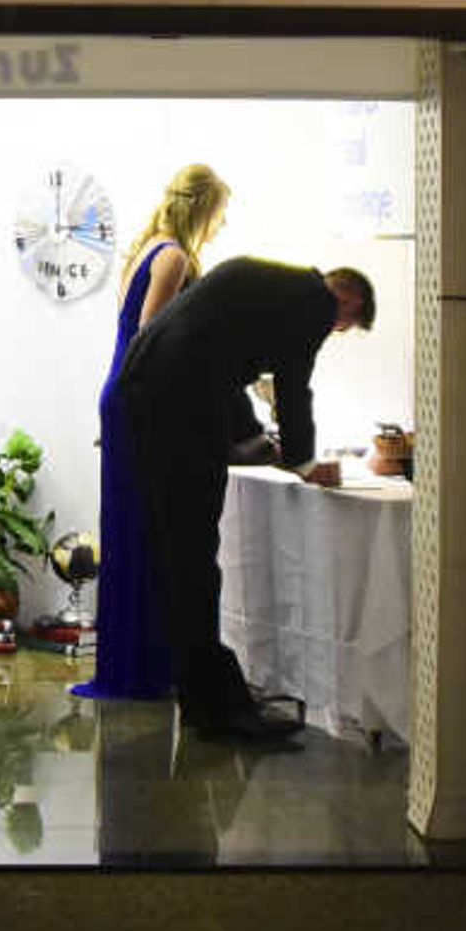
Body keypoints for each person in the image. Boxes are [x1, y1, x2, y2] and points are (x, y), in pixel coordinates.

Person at [108, 257, 375, 742]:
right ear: (348, 300)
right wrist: (303, 463)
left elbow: (220, 360)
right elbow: (295, 386)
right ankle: (218, 706)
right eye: (344, 327)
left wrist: (255, 440)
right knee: (193, 557)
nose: (333, 332)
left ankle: (204, 697)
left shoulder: (266, 284)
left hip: (149, 388)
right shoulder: (313, 300)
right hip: (180, 403)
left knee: (181, 554)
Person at [73, 165, 228, 701]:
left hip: (123, 397)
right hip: (140, 402)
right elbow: (149, 340)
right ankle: (140, 668)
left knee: (130, 530)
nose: (220, 225)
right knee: (146, 532)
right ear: (202, 209)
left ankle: (134, 660)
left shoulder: (147, 249)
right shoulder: (174, 256)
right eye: (219, 215)